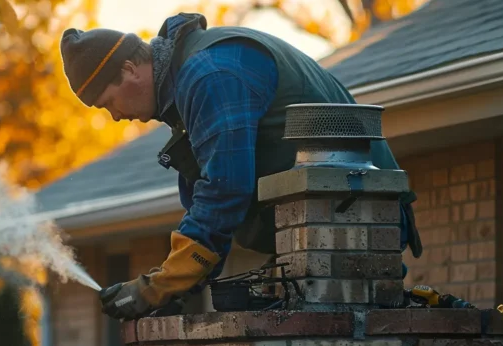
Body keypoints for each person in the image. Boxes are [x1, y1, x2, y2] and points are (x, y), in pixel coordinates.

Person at [59, 12, 425, 320]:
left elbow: (225, 188)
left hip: (353, 220)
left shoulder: (209, 74)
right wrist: (181, 286)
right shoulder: (191, 80)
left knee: (357, 326)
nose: (116, 117)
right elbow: (208, 198)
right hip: (328, 222)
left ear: (129, 68)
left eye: (109, 103)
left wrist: (162, 284)